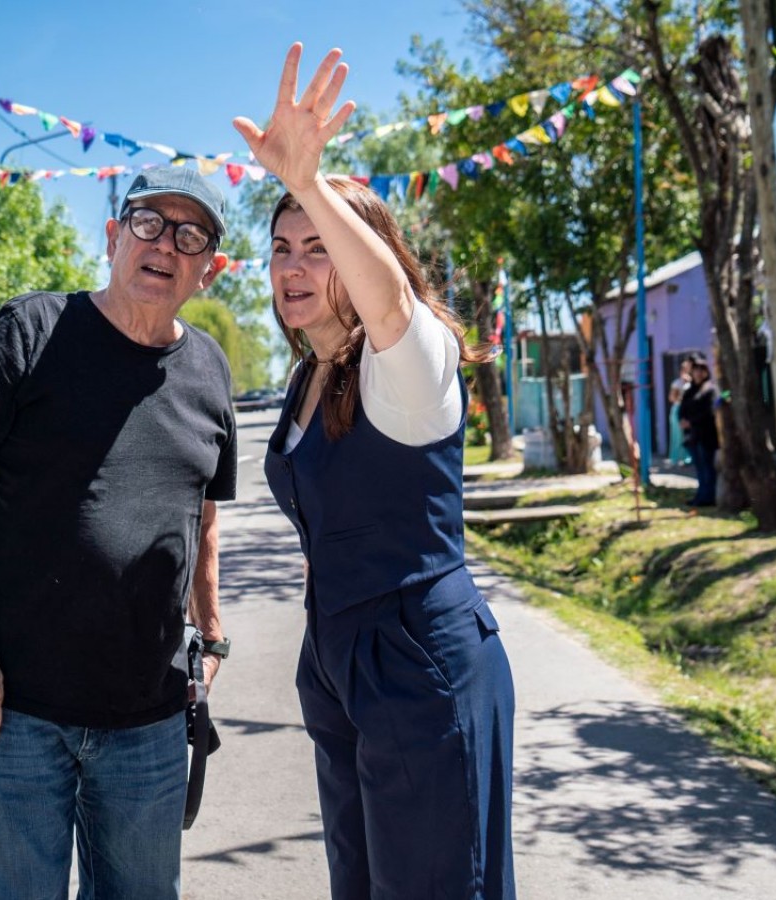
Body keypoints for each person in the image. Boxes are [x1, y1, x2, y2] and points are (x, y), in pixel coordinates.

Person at [236, 44, 516, 900]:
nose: (293, 267)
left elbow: (390, 303)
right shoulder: (307, 376)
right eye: (282, 247)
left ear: (368, 253)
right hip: (339, 661)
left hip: (418, 661)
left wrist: (310, 177)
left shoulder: (410, 363)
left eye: (319, 247)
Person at [0, 166, 238, 900]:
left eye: (190, 235)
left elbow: (204, 513)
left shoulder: (209, 371)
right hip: (13, 714)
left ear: (209, 270)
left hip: (150, 721)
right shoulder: (31, 331)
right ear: (113, 236)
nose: (165, 244)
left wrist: (211, 632)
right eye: (148, 222)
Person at [678, 357, 720, 506]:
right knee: (699, 468)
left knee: (707, 467)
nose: (698, 373)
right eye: (696, 370)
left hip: (706, 435)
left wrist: (692, 422)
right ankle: (701, 496)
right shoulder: (689, 391)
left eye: (701, 370)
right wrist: (683, 420)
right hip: (692, 436)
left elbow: (709, 412)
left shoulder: (710, 389)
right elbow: (682, 408)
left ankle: (709, 497)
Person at [667, 357, 693, 466]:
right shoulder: (676, 383)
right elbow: (671, 398)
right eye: (685, 369)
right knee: (677, 435)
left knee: (688, 435)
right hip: (678, 409)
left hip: (689, 411)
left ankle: (688, 457)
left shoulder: (692, 383)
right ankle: (675, 458)